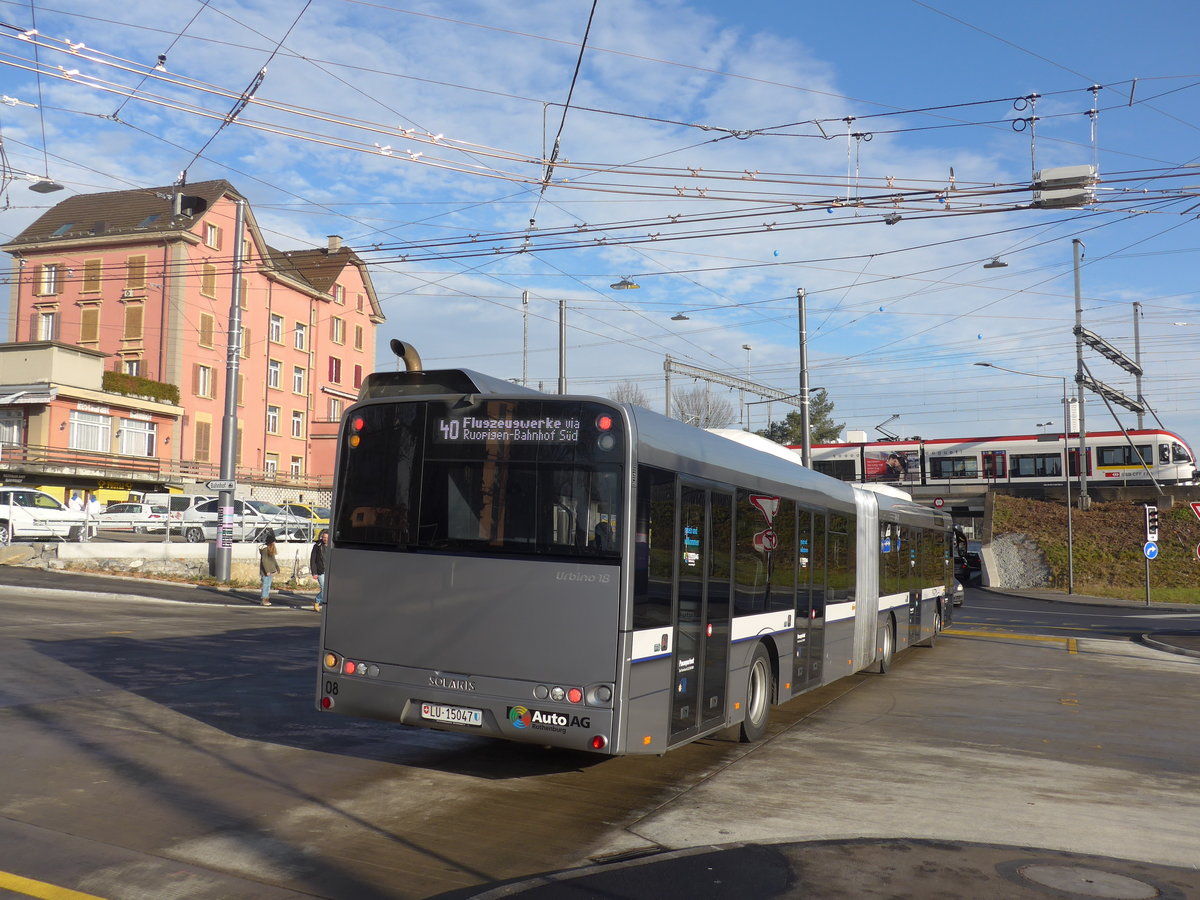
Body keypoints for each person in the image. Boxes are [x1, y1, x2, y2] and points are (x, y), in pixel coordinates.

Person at [309, 528, 329, 612]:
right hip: (320, 571)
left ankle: (323, 603)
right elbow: (312, 560)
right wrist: (314, 572)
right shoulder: (317, 546)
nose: (325, 539)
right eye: (324, 537)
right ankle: (317, 601)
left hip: (330, 570)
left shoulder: (332, 545)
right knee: (324, 588)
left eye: (327, 537)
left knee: (328, 589)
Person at [259, 529, 279, 606]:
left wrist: (277, 567)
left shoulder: (271, 551)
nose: (275, 543)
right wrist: (266, 570)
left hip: (270, 571)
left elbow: (273, 560)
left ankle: (266, 598)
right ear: (271, 543)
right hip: (266, 572)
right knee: (265, 585)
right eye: (274, 542)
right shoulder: (265, 550)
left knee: (268, 585)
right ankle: (264, 599)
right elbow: (264, 561)